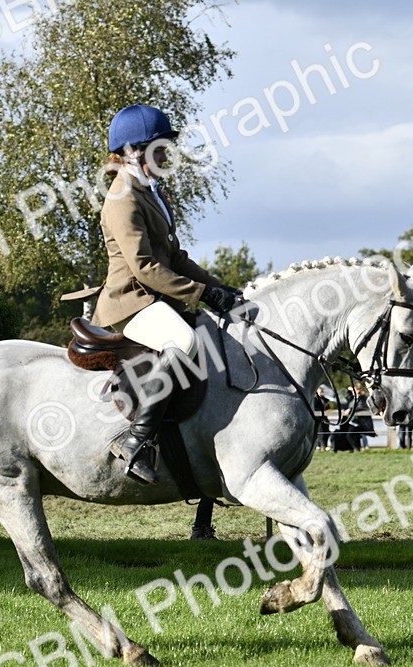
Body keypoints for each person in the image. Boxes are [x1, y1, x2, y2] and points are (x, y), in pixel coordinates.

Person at [90, 104, 240, 483]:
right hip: (129, 302)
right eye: (159, 148)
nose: (167, 155)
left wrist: (221, 289)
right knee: (185, 340)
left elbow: (174, 257)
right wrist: (201, 292)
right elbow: (144, 267)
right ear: (131, 152)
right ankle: (136, 440)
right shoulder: (122, 197)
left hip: (154, 298)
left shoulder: (150, 190)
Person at [314, 386, 332, 451]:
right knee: (320, 432)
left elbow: (329, 407)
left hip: (325, 418)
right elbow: (315, 409)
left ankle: (325, 445)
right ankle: (320, 446)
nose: (322, 393)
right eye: (320, 391)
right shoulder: (315, 399)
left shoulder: (325, 399)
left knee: (326, 431)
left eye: (322, 391)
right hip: (318, 419)